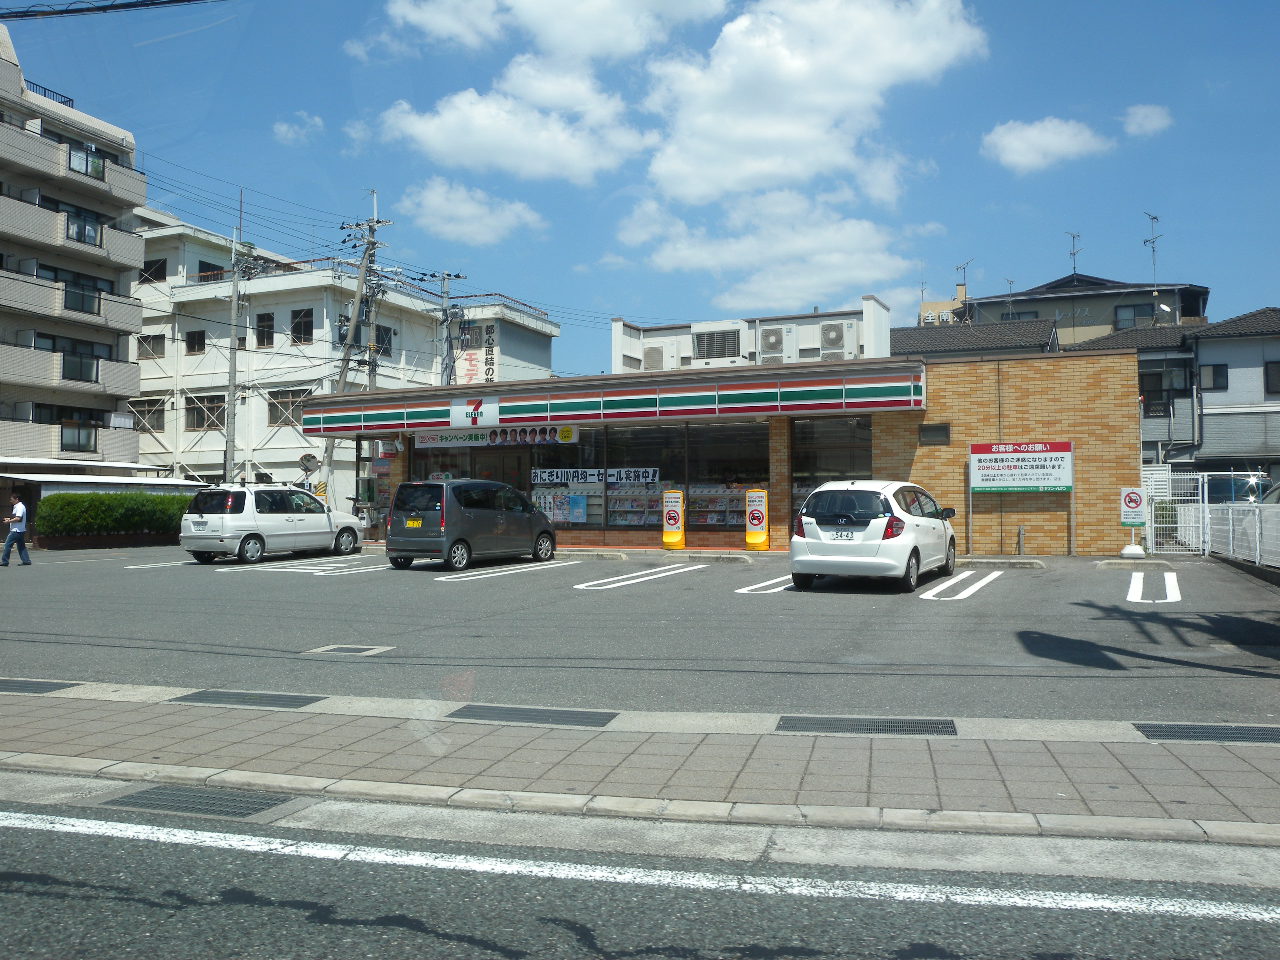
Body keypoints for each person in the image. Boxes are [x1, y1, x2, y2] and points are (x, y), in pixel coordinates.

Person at [2, 492, 31, 566]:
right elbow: (16, 517)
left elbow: (18, 518)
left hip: (16, 530)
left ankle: (5, 561)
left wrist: (9, 521)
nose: (10, 501)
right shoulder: (17, 507)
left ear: (17, 499)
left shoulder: (19, 507)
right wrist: (9, 518)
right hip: (20, 530)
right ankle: (26, 560)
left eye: (11, 499)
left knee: (7, 545)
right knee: (21, 546)